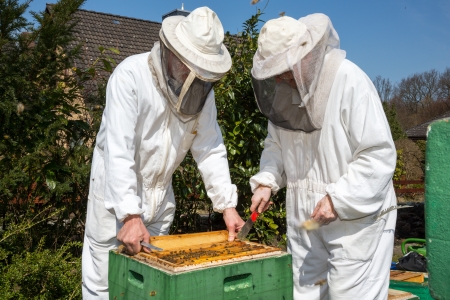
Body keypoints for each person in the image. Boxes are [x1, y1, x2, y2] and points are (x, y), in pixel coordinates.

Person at [81, 7, 245, 299]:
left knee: (149, 289)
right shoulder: (130, 76)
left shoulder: (201, 95)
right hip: (114, 204)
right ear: (171, 51)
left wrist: (227, 206)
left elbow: (209, 148)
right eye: (188, 65)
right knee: (104, 287)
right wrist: (130, 215)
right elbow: (118, 150)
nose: (192, 77)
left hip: (159, 204)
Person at [249, 14, 397, 299]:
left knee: (348, 295)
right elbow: (276, 146)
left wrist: (338, 198)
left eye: (283, 69)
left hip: (355, 218)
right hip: (306, 218)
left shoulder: (350, 81)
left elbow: (377, 154)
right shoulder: (284, 93)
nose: (279, 77)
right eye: (274, 71)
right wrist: (267, 180)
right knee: (304, 293)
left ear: (305, 56)